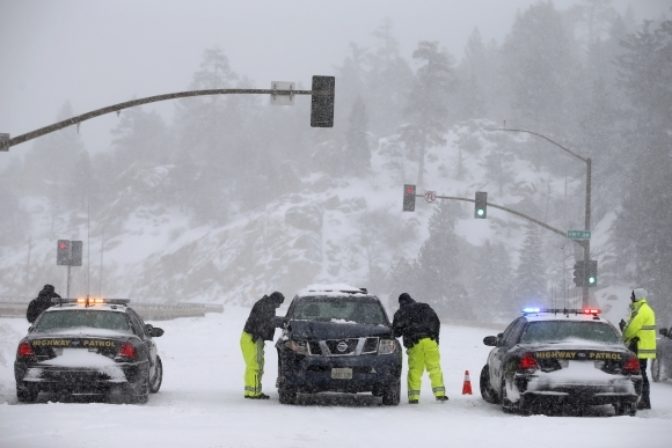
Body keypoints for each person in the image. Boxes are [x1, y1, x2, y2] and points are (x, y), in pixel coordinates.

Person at [392, 292, 448, 404]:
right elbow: (436, 322)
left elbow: (396, 332)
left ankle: (413, 397)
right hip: (430, 341)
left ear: (401, 303)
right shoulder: (425, 308)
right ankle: (440, 394)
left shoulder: (401, 312)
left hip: (415, 343)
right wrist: (435, 338)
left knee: (415, 371)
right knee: (434, 368)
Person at [240, 291, 285, 399]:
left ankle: (250, 391)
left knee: (253, 365)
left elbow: (266, 320)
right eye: (279, 303)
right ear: (275, 300)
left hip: (250, 338)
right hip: (253, 338)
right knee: (255, 366)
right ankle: (255, 393)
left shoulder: (264, 304)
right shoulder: (265, 306)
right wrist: (281, 321)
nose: (279, 306)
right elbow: (267, 320)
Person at [621, 287, 657, 410]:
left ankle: (644, 400)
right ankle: (644, 400)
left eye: (632, 296)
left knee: (639, 374)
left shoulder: (642, 311)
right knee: (641, 373)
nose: (631, 299)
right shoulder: (644, 309)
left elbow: (632, 328)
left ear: (637, 297)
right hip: (642, 346)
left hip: (640, 346)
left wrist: (623, 335)